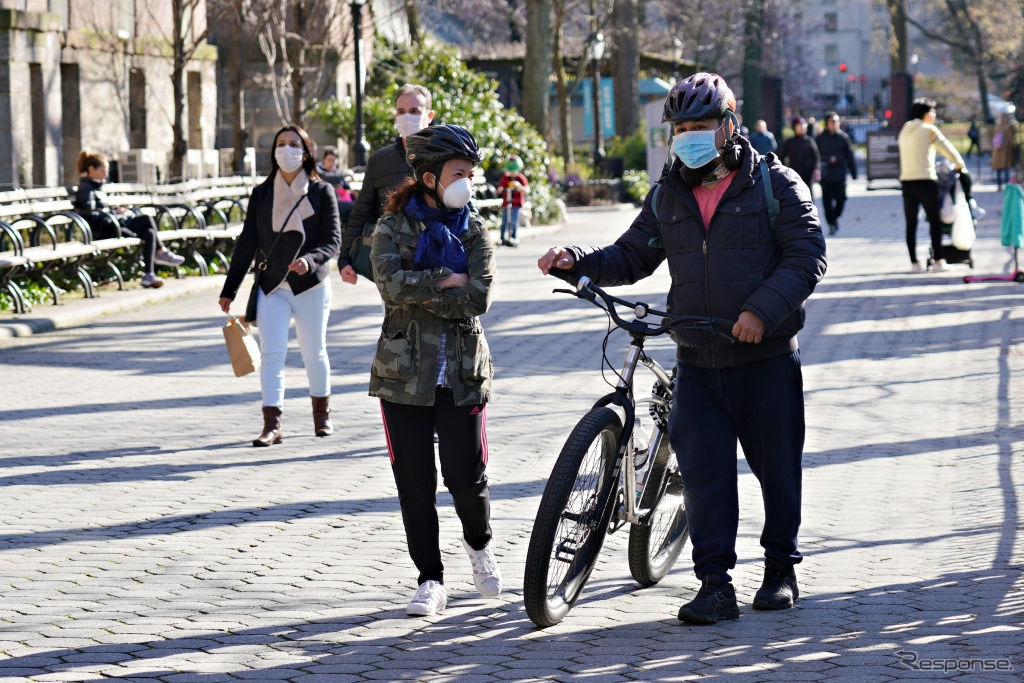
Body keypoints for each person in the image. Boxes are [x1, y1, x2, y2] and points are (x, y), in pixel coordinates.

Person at [537, 73, 827, 625]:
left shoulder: (777, 184)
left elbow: (807, 255)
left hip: (764, 359)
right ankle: (715, 585)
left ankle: (781, 569)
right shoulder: (669, 193)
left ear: (729, 126)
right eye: (682, 128)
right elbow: (631, 255)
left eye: (701, 126)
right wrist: (579, 258)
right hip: (696, 358)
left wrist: (760, 312)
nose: (689, 136)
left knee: (778, 471)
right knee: (705, 476)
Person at [369, 124, 501, 617]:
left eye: (470, 172)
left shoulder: (475, 229)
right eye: (457, 173)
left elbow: (480, 296)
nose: (467, 180)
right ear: (428, 177)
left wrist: (426, 287)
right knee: (415, 483)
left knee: (466, 477)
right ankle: (430, 578)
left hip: (462, 372)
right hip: (403, 375)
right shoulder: (392, 227)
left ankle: (479, 545)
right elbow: (390, 288)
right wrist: (447, 278)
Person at [218, 125, 341, 446]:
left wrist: (309, 261)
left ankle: (322, 417)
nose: (286, 149)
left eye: (293, 144)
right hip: (272, 285)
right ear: (274, 152)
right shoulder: (262, 193)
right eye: (281, 144)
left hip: (311, 285)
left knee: (314, 353)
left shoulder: (321, 192)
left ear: (306, 151)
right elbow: (247, 243)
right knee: (272, 354)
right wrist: (229, 290)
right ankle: (272, 424)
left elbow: (332, 241)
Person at [338, 83, 435, 284]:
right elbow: (362, 211)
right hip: (393, 264)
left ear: (429, 116)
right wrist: (344, 259)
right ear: (395, 116)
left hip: (438, 260)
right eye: (401, 111)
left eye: (415, 111)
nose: (407, 116)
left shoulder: (445, 156)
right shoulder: (380, 161)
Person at [73, 151, 185, 289]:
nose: (106, 175)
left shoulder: (96, 186)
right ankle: (161, 251)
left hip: (113, 224)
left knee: (149, 233)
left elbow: (99, 210)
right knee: (146, 219)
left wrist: (116, 211)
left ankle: (149, 275)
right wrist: (114, 215)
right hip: (105, 229)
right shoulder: (86, 188)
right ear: (91, 169)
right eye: (103, 170)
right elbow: (90, 213)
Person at [898, 98, 966, 272]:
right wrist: (960, 164)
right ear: (926, 113)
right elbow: (947, 148)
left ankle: (914, 263)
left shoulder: (905, 130)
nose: (934, 115)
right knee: (935, 221)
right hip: (926, 180)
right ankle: (938, 260)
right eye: (933, 112)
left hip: (906, 181)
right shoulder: (929, 130)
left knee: (910, 223)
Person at [815, 111, 858, 235]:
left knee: (841, 199)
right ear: (827, 123)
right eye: (832, 121)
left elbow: (850, 155)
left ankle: (834, 218)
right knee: (827, 202)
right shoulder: (820, 139)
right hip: (826, 175)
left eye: (837, 121)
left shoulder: (843, 137)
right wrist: (828, 158)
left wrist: (853, 172)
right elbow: (816, 155)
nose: (835, 124)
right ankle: (831, 224)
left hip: (840, 174)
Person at [779, 117, 820, 197]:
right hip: (793, 175)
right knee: (795, 196)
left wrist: (816, 169)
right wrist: (784, 171)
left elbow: (816, 157)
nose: (802, 127)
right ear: (794, 127)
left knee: (809, 196)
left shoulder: (809, 141)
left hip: (808, 175)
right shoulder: (789, 142)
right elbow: (781, 157)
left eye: (803, 125)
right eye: (799, 125)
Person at [317, 145, 355, 225]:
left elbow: (347, 190)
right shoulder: (319, 171)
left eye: (333, 160)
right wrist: (348, 173)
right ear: (324, 160)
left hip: (340, 202)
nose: (331, 163)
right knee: (352, 207)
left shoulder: (338, 173)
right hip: (324, 204)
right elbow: (328, 177)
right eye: (329, 160)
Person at [497, 155, 529, 247]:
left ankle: (514, 237)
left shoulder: (520, 178)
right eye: (510, 171)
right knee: (504, 220)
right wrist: (501, 188)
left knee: (514, 220)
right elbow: (500, 188)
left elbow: (526, 189)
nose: (512, 173)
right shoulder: (505, 178)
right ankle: (502, 237)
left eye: (514, 171)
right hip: (506, 203)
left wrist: (519, 187)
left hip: (516, 204)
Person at [991, 114, 1015, 191]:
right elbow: (1011, 139)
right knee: (1006, 169)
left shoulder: (997, 127)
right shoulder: (1007, 127)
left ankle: (999, 185)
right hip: (1005, 151)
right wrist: (1014, 145)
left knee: (999, 169)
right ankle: (1007, 185)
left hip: (997, 151)